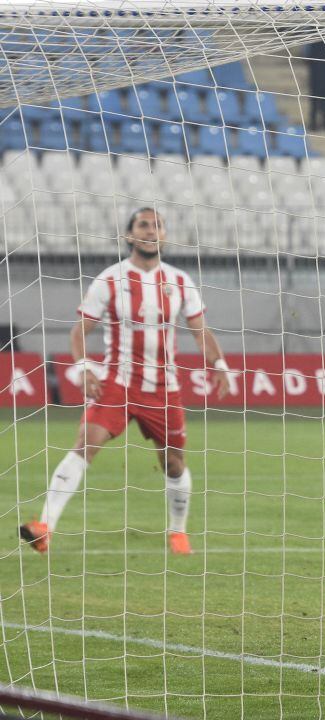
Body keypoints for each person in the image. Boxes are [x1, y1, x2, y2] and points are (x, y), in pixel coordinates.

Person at [19, 208, 230, 555]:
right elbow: (79, 331)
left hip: (164, 388)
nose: (151, 231)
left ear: (164, 235)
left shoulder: (179, 281)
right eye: (143, 225)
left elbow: (200, 330)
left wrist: (219, 364)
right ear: (129, 235)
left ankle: (177, 532)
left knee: (174, 463)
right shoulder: (110, 279)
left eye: (157, 226)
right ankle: (44, 527)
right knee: (86, 442)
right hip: (117, 382)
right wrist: (85, 367)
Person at [304, 38, 325, 131]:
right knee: (315, 97)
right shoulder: (315, 33)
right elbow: (311, 55)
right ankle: (313, 122)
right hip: (317, 70)